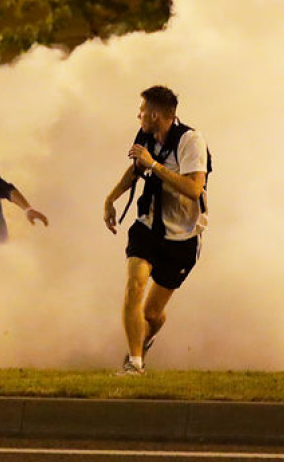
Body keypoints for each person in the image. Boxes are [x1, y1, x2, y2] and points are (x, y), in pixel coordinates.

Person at [103, 86, 209, 376]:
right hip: (148, 226)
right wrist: (111, 198)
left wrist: (155, 165)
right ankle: (134, 364)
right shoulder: (145, 136)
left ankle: (145, 339)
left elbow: (193, 188)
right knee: (134, 285)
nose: (137, 115)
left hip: (182, 237)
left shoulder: (190, 140)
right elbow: (136, 169)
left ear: (154, 115)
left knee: (151, 314)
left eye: (142, 111)